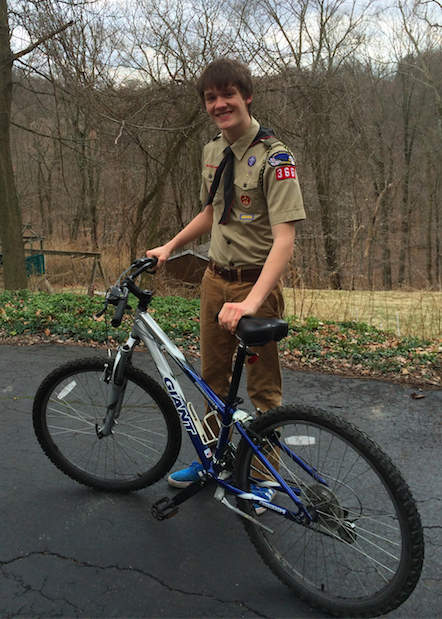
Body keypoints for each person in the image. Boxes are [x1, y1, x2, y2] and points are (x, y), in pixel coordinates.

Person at [146, 58, 306, 504]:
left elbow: (284, 242)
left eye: (227, 96)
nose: (219, 105)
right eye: (211, 98)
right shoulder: (212, 151)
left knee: (262, 389)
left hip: (255, 286)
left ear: (246, 96)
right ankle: (214, 458)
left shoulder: (276, 158)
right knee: (212, 379)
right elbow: (211, 213)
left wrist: (252, 302)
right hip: (215, 282)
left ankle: (262, 472)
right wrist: (170, 246)